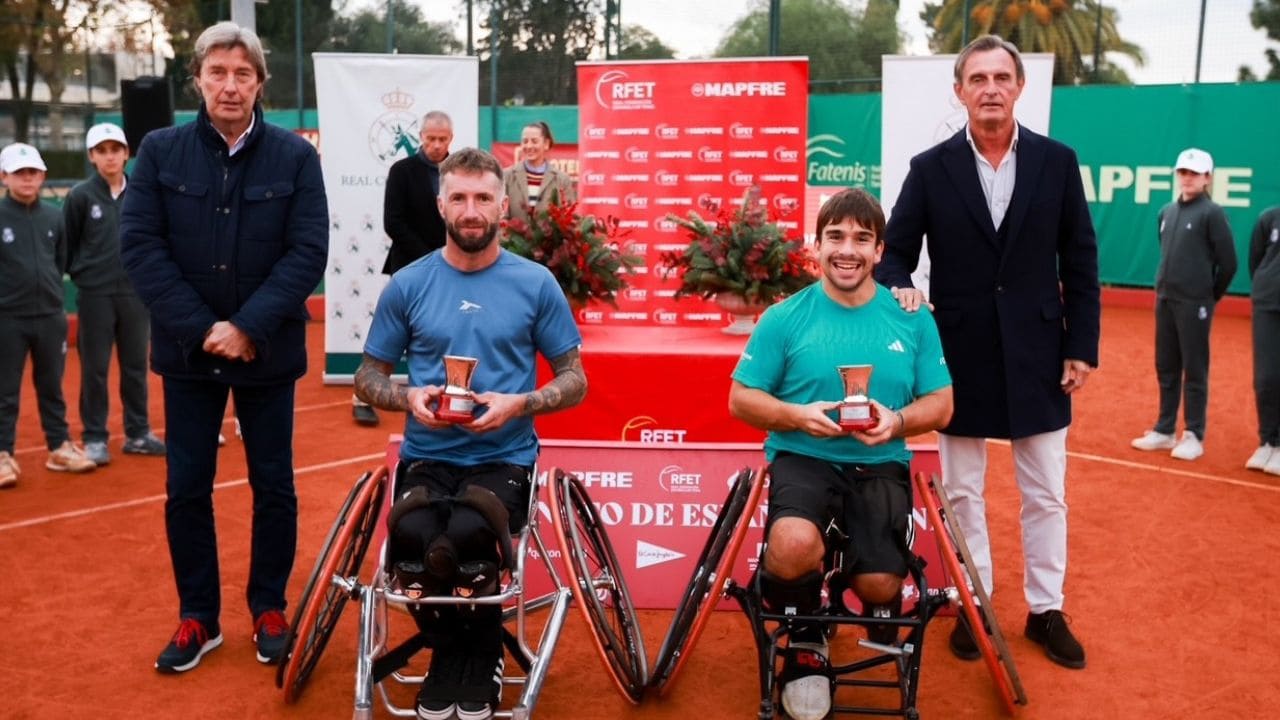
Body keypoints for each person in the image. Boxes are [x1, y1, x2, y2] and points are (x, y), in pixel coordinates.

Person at [875, 35, 1100, 671]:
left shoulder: (1058, 163)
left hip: (1040, 352)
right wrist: (901, 289)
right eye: (979, 79)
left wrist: (1080, 346)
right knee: (963, 493)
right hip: (960, 356)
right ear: (960, 91)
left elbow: (1080, 259)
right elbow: (895, 253)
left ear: (1019, 88)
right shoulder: (930, 167)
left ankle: (1045, 608)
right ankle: (975, 601)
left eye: (1002, 77)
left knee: (1046, 493)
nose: (991, 89)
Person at [120, 21, 328, 674]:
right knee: (187, 486)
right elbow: (141, 247)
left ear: (261, 83)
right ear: (199, 80)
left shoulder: (295, 158)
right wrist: (204, 329)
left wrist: (246, 327)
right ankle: (198, 618)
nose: (230, 85)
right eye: (218, 72)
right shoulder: (158, 152)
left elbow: (307, 252)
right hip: (189, 356)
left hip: (266, 352)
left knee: (274, 485)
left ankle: (269, 606)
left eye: (243, 73)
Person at [355, 147, 585, 720]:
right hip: (427, 453)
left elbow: (575, 379)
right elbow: (367, 376)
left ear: (502, 204)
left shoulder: (536, 284)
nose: (471, 209)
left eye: (483, 197)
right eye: (458, 197)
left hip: (504, 456)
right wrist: (407, 396)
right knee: (410, 544)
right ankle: (455, 652)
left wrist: (521, 403)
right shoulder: (407, 284)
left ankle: (474, 657)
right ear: (440, 205)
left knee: (468, 537)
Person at [729, 188, 953, 720]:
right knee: (791, 544)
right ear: (816, 245)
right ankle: (807, 637)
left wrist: (897, 421)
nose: (846, 249)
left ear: (880, 250)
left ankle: (841, 573)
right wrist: (795, 415)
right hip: (803, 456)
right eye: (835, 237)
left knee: (879, 585)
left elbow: (942, 405)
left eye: (860, 238)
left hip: (881, 463)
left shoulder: (913, 317)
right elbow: (741, 398)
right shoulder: (784, 316)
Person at [64, 122, 166, 466]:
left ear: (126, 153)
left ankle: (138, 432)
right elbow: (69, 244)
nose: (110, 157)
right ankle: (94, 437)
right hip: (95, 295)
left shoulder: (143, 193)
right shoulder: (79, 196)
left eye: (116, 150)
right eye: (102, 151)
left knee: (136, 365)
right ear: (92, 156)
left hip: (136, 294)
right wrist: (84, 274)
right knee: (94, 368)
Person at [0, 142, 99, 489]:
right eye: (19, 173)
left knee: (51, 387)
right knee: (5, 390)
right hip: (7, 319)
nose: (27, 179)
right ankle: (2, 454)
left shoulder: (54, 216)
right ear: (5, 177)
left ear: (42, 175)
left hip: (49, 316)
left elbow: (61, 260)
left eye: (33, 172)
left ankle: (58, 446)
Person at [1130, 148, 1237, 461]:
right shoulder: (1166, 211)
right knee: (1166, 366)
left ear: (1207, 178)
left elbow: (1228, 263)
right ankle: (1164, 430)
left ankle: (1193, 434)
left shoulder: (1212, 213)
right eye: (1183, 172)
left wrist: (1208, 295)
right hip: (1165, 299)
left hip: (1196, 303)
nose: (1187, 178)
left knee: (1194, 368)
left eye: (1194, 173)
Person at [353, 111, 456, 428]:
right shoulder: (401, 170)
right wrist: (431, 259)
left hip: (454, 269)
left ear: (451, 138)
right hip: (409, 267)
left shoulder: (462, 169)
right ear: (420, 137)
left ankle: (449, 396)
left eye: (443, 139)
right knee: (391, 333)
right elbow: (393, 222)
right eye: (430, 138)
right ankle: (362, 398)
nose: (436, 145)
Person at [1246, 204, 1280, 475]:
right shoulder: (1268, 217)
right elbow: (1255, 260)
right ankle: (1267, 440)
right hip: (1268, 305)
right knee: (1266, 377)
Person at [501, 121, 575, 227]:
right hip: (512, 242)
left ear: (546, 144)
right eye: (525, 141)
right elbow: (501, 217)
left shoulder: (562, 179)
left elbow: (569, 218)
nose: (529, 146)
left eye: (534, 141)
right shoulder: (507, 176)